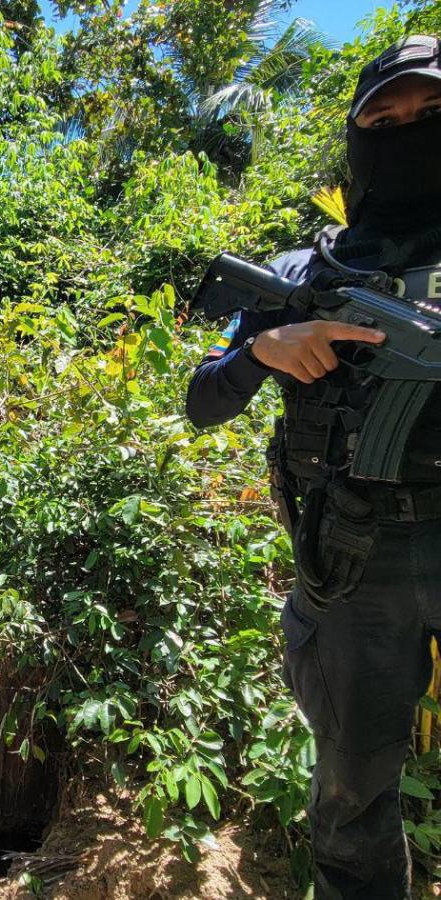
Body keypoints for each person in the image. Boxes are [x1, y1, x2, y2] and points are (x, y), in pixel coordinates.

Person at [186, 35, 441, 899]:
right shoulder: (306, 272)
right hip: (350, 565)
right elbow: (203, 401)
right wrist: (265, 346)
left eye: (432, 114)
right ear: (357, 135)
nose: (407, 129)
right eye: (386, 116)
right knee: (350, 795)